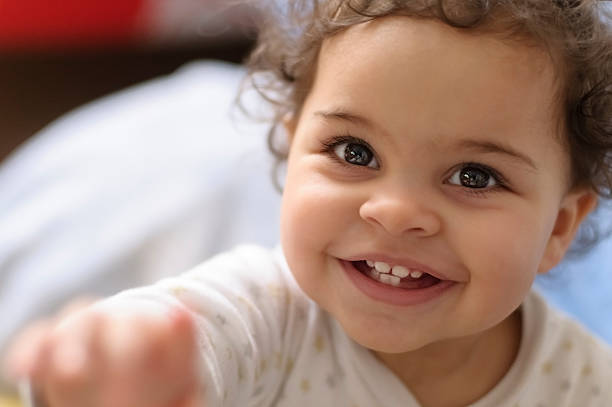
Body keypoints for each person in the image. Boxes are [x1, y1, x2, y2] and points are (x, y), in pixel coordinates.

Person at [4, 0, 612, 406]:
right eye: (353, 151)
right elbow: (187, 329)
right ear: (292, 150)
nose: (395, 211)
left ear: (559, 226)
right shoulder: (265, 317)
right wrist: (119, 358)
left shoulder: (581, 381)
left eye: (475, 177)